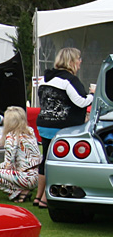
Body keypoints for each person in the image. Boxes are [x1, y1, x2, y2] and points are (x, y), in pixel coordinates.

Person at [34, 46, 94, 208]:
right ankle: (47, 197)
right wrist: (93, 95)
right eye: (79, 59)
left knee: (45, 158)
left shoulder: (45, 78)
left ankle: (38, 196)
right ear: (72, 61)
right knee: (56, 162)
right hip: (61, 127)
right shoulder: (69, 80)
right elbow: (81, 102)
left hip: (44, 123)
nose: (80, 62)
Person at [0, 106, 41, 203]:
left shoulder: (11, 137)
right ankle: (22, 191)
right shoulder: (30, 131)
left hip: (25, 177)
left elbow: (8, 166)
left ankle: (16, 192)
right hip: (37, 176)